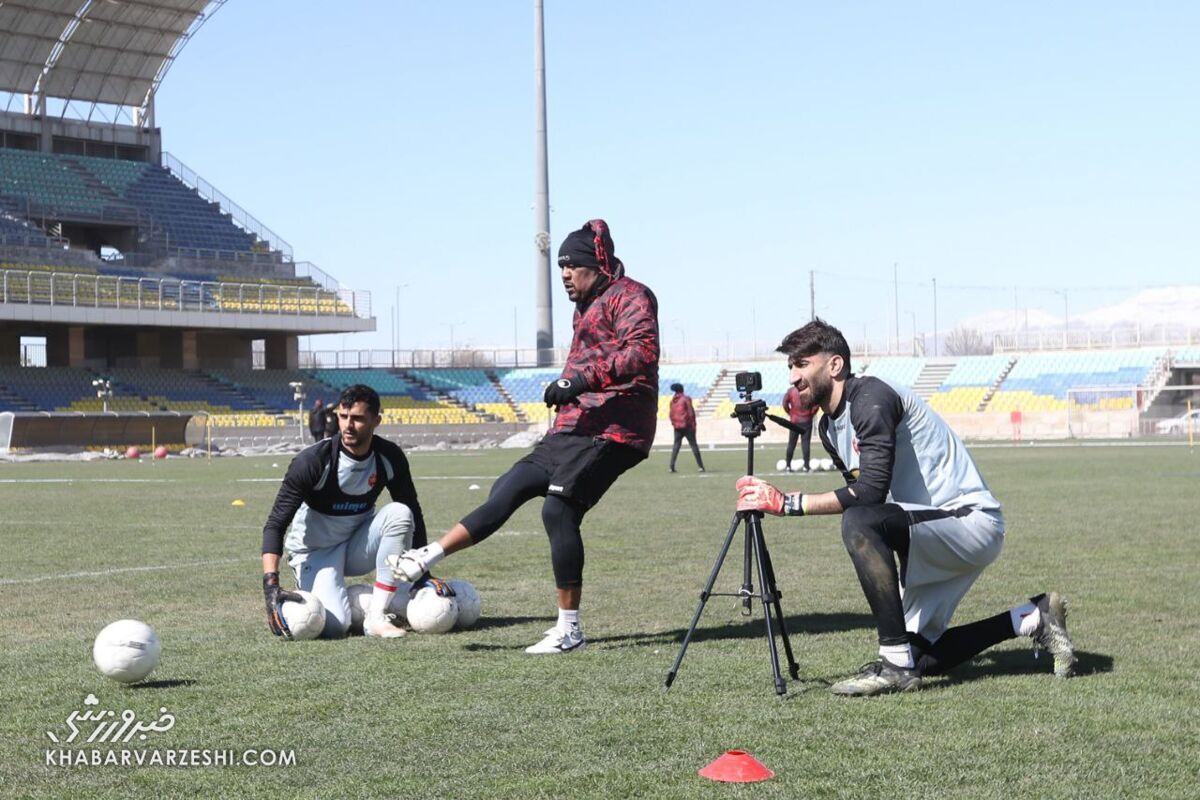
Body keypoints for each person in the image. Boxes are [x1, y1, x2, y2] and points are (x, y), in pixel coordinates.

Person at [735, 319, 1075, 696]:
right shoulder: (828, 428)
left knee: (858, 521)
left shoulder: (870, 397)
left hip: (968, 521)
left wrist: (788, 503)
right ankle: (1031, 617)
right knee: (921, 657)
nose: (793, 377)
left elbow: (869, 494)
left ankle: (895, 667)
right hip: (925, 531)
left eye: (802, 364)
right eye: (790, 367)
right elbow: (865, 490)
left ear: (835, 365)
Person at [389, 219, 659, 654]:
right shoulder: (584, 307)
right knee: (508, 488)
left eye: (572, 266)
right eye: (560, 268)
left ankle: (569, 630)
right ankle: (427, 555)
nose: (565, 276)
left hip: (616, 427)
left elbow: (641, 351)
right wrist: (568, 392)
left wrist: (578, 382)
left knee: (558, 512)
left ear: (596, 264)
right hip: (574, 426)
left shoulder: (631, 294)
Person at [261, 384, 427, 640]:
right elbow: (275, 524)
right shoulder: (313, 461)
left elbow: (413, 511)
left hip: (356, 546)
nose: (348, 425)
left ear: (376, 421)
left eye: (358, 418)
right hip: (315, 552)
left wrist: (423, 574)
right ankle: (356, 598)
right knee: (335, 626)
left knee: (400, 513)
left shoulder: (389, 457)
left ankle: (376, 616)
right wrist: (270, 586)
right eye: (343, 416)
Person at [668, 382, 705, 473]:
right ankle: (700, 466)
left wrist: (674, 423)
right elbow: (690, 412)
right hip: (687, 426)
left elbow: (670, 414)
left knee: (676, 446)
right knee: (693, 445)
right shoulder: (685, 399)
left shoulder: (673, 401)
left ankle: (671, 466)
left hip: (677, 426)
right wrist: (693, 424)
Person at [781, 382, 815, 471]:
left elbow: (785, 403)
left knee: (791, 443)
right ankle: (806, 466)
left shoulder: (791, 391)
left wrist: (790, 413)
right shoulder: (809, 391)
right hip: (806, 420)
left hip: (794, 421)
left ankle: (788, 465)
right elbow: (816, 405)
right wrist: (811, 413)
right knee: (806, 443)